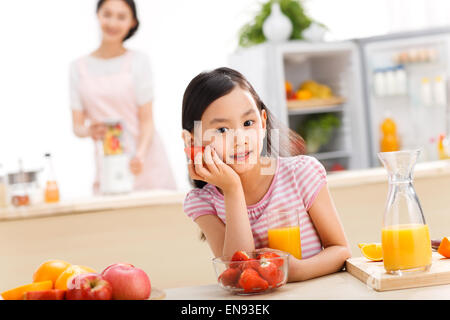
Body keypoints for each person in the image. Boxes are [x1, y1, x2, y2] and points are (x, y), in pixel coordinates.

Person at [181, 67, 351, 282]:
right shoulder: (204, 202)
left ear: (262, 123)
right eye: (222, 130)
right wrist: (232, 189)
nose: (239, 139)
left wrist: (294, 271)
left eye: (248, 123)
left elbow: (341, 250)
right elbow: (238, 272)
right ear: (191, 141)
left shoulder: (301, 174)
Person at [70, 0, 176, 193]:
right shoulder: (78, 68)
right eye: (107, 14)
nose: (112, 23)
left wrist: (140, 155)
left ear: (132, 23)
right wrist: (89, 131)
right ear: (97, 15)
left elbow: (147, 120)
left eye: (121, 17)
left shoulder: (139, 62)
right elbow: (77, 126)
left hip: (146, 161)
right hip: (108, 161)